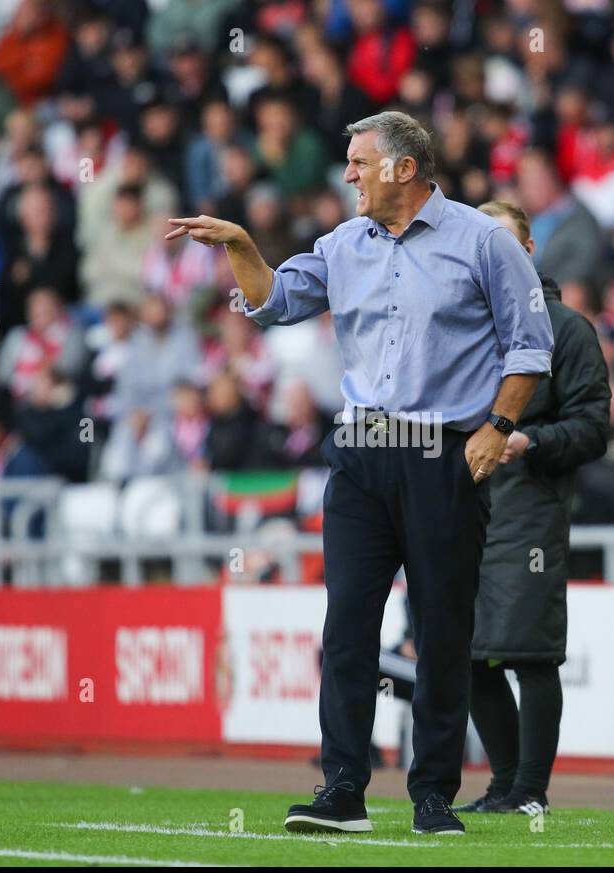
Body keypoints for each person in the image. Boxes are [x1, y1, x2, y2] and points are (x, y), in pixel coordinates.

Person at [167, 111, 553, 835]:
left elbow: (531, 349)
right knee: (347, 627)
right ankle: (342, 787)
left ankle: (432, 794)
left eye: (359, 162)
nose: (347, 174)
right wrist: (243, 247)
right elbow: (273, 302)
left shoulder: (485, 241)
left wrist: (497, 429)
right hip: (359, 454)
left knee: (442, 630)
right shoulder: (344, 244)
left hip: (445, 453)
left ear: (404, 169)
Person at [456, 200, 611, 817]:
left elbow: (595, 428)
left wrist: (532, 440)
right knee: (464, 651)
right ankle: (504, 784)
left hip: (530, 509)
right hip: (465, 505)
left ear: (525, 252)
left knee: (530, 651)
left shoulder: (568, 328)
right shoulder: (461, 327)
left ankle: (529, 792)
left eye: (502, 243)